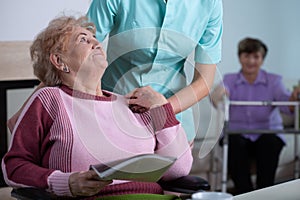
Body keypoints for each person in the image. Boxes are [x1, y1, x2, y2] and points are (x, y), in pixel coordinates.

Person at [1, 15, 193, 199]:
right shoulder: (50, 99)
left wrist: (161, 106)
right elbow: (14, 167)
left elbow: (179, 170)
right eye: (83, 40)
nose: (96, 42)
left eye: (94, 38)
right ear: (59, 61)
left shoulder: (134, 104)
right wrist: (66, 182)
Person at [86, 0, 223, 143]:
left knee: (176, 164)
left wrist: (162, 110)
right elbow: (80, 52)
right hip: (115, 107)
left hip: (174, 112)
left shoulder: (210, 3)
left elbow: (204, 81)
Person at [211, 37, 300, 194]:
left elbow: (287, 106)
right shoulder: (229, 79)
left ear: (262, 59)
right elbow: (216, 98)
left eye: (256, 56)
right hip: (238, 134)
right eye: (247, 56)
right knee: (234, 143)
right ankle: (245, 195)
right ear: (240, 57)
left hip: (267, 133)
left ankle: (264, 194)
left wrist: (293, 97)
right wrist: (219, 94)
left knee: (270, 143)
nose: (251, 61)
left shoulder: (274, 81)